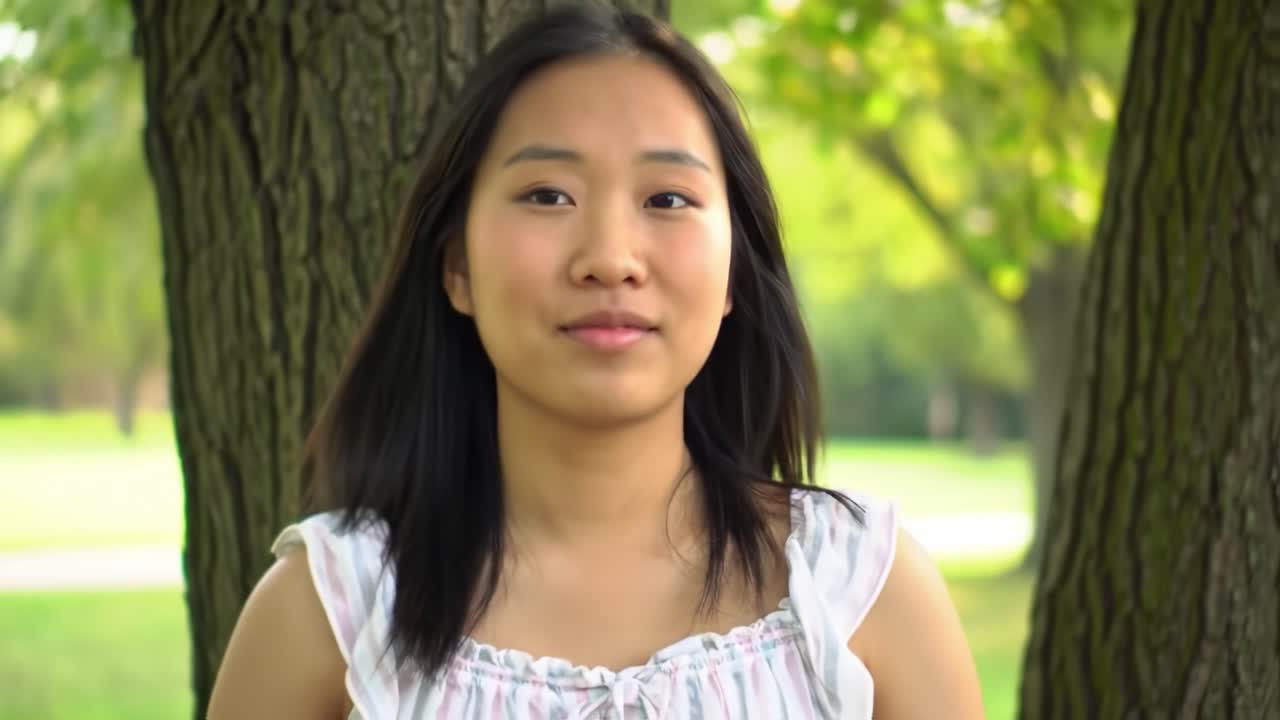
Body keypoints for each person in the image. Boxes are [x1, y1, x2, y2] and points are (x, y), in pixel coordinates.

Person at [207, 6, 984, 719]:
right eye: (548, 195)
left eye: (667, 200)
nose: (610, 260)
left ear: (734, 278)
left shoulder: (861, 594)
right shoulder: (327, 618)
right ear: (456, 269)